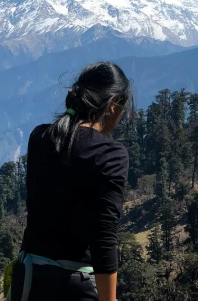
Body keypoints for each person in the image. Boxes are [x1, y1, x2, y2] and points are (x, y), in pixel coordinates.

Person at [8, 62, 134, 301]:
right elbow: (104, 238)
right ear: (114, 105)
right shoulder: (110, 154)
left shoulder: (40, 137)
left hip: (29, 281)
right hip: (76, 288)